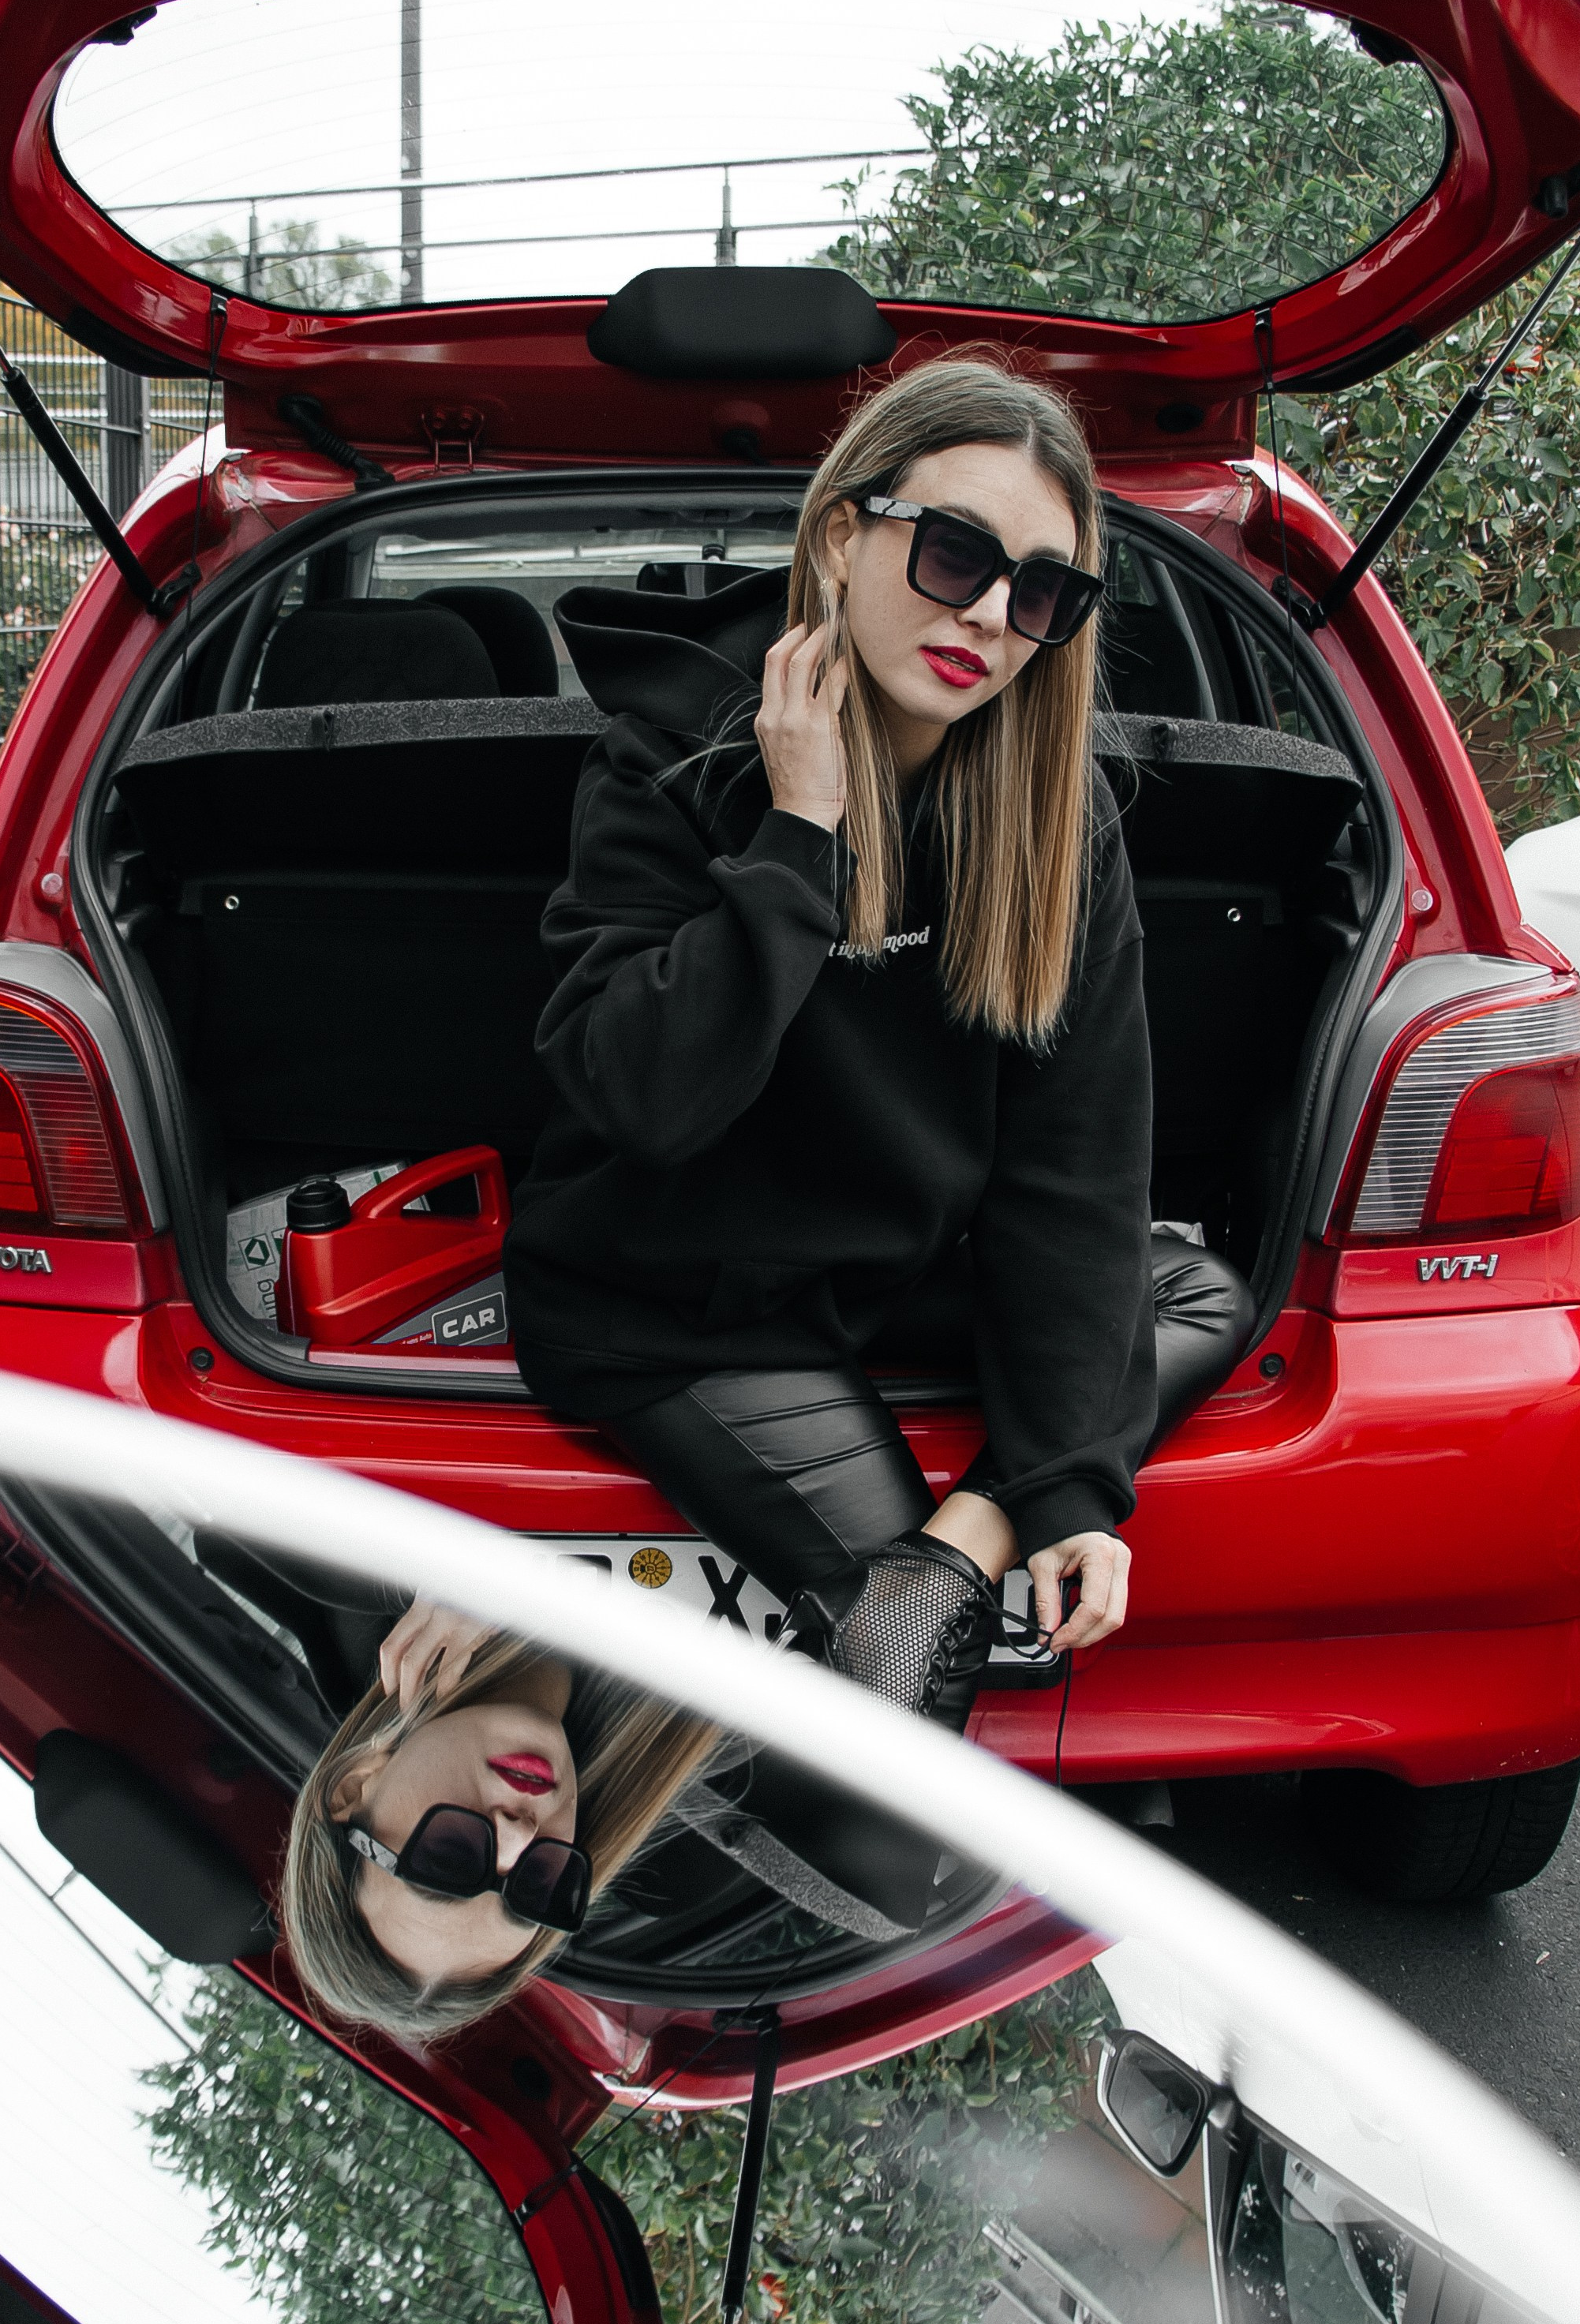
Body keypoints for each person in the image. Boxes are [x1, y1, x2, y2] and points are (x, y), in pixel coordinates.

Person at [504, 353, 1189, 1735]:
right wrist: (797, 833)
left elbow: (1078, 1166)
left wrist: (1053, 1491)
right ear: (840, 532)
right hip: (683, 1302)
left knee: (1194, 1287)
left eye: (1042, 592)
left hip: (898, 1273)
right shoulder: (674, 762)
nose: (992, 616)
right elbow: (643, 1092)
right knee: (903, 1722)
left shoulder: (1059, 823)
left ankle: (956, 1551)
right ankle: (642, 1926)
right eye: (954, 554)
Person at [281, 1594, 719, 2041]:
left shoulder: (363, 1566)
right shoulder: (726, 1726)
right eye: (535, 1885)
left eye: (449, 1855)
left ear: (354, 1787)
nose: (520, 1835)